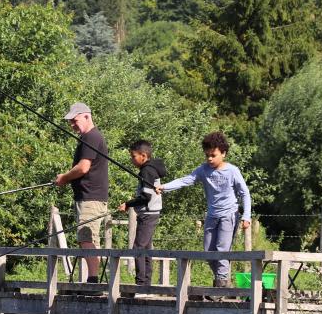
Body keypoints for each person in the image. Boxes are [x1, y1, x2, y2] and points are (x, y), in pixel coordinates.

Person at [157, 131, 251, 287]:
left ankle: (220, 286)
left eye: (213, 155)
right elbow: (185, 180)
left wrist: (246, 215)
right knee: (208, 251)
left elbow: (245, 193)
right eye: (207, 155)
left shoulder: (232, 171)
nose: (209, 158)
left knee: (222, 250)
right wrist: (164, 187)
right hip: (212, 215)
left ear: (224, 153)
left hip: (229, 215)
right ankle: (224, 281)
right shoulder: (203, 170)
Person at [55, 102, 108, 285]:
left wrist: (64, 178)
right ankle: (94, 279)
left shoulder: (91, 137)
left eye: (74, 120)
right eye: (70, 122)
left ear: (86, 116)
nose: (72, 125)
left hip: (90, 197)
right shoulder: (91, 137)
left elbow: (83, 167)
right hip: (90, 196)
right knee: (90, 238)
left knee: (86, 237)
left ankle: (93, 281)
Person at [118, 140, 167, 288]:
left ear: (143, 156)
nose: (132, 160)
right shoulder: (150, 169)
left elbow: (146, 197)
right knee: (145, 248)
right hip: (150, 212)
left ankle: (141, 283)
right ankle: (145, 283)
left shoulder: (147, 170)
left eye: (133, 156)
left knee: (138, 248)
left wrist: (128, 204)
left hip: (148, 213)